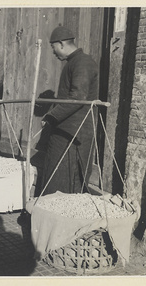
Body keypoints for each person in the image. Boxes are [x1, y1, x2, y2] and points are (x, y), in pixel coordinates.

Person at [40, 26, 98, 195]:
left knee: (69, 178)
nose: (53, 52)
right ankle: (50, 213)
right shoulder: (73, 63)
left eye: (53, 47)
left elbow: (78, 96)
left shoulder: (83, 62)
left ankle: (64, 218)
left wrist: (52, 116)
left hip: (75, 132)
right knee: (55, 176)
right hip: (65, 130)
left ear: (61, 44)